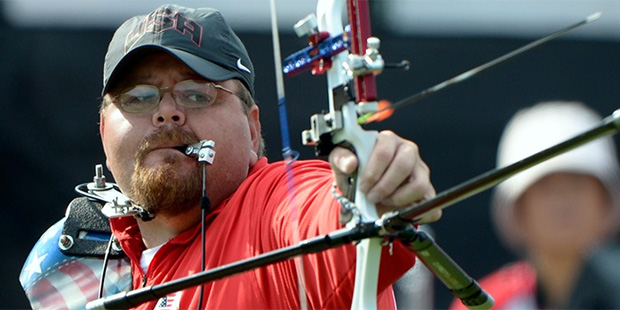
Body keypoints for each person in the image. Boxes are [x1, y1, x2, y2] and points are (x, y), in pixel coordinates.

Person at [20, 4, 440, 309]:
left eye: (197, 93)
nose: (167, 111)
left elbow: (321, 213)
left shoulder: (272, 209)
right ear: (103, 131)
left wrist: (370, 191)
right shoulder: (77, 261)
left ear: (253, 126)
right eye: (139, 97)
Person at [450, 101, 620, 310]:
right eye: (546, 188)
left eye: (577, 185)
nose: (563, 201)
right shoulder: (484, 303)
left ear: (604, 202)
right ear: (518, 209)